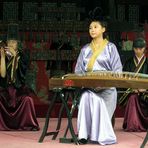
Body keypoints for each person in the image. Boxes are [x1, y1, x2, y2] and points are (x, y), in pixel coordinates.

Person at [74, 7, 122, 145]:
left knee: (106, 97)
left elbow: (118, 70)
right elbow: (78, 71)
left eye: (95, 27)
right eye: (90, 28)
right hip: (89, 88)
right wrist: (88, 82)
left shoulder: (111, 48)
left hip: (107, 88)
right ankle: (83, 135)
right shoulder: (85, 50)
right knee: (84, 97)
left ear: (103, 29)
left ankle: (103, 136)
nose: (92, 30)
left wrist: (105, 82)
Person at [0, 39, 39, 131]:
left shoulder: (22, 56)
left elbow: (23, 71)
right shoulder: (4, 56)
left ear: (18, 45)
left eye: (13, 42)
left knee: (27, 100)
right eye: (9, 42)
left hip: (19, 88)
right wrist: (2, 57)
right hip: (6, 89)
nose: (11, 44)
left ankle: (28, 124)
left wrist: (15, 57)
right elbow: (3, 75)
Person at [121, 37, 148, 132]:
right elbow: (123, 79)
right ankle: (132, 125)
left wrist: (144, 89)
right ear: (133, 49)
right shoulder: (128, 62)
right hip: (131, 91)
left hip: (145, 92)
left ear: (144, 49)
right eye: (136, 49)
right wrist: (133, 88)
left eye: (141, 49)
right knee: (133, 97)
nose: (138, 51)